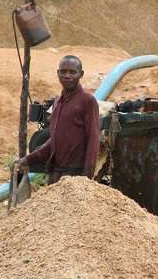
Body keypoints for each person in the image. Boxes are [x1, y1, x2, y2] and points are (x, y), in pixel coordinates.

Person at [15, 55, 100, 185]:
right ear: (58, 73)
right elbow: (54, 141)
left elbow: (93, 141)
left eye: (72, 72)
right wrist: (28, 160)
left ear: (81, 74)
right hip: (55, 174)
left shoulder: (87, 101)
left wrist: (86, 179)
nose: (67, 75)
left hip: (75, 176)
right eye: (63, 71)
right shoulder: (57, 103)